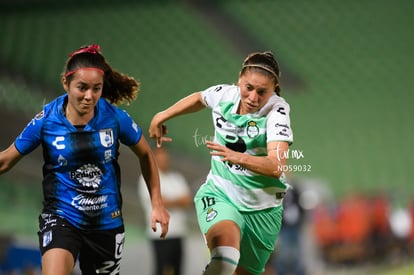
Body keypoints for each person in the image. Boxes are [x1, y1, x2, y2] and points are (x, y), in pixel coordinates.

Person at [0, 44, 170, 275]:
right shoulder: (46, 120)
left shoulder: (114, 118)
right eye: (82, 88)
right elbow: (6, 160)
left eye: (96, 89)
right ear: (65, 83)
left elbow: (145, 154)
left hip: (106, 222)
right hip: (61, 217)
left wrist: (157, 204)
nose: (89, 96)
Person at [149, 51, 294, 275]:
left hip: (263, 209)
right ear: (239, 80)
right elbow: (199, 98)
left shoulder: (277, 111)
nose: (253, 97)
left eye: (262, 92)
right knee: (225, 259)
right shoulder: (224, 95)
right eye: (248, 87)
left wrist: (238, 157)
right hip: (221, 194)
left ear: (274, 88)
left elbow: (276, 166)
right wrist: (162, 115)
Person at [138, 147, 192, 275]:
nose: (164, 160)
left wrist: (167, 200)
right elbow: (158, 201)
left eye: (165, 158)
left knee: (177, 270)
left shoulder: (177, 178)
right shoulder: (147, 177)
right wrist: (177, 201)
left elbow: (187, 201)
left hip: (178, 232)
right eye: (160, 158)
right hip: (160, 235)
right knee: (162, 270)